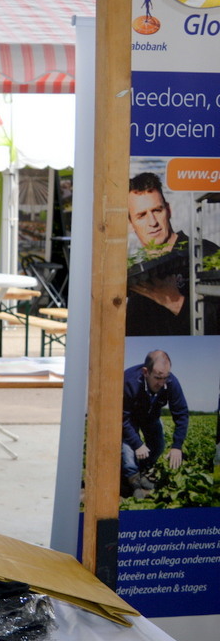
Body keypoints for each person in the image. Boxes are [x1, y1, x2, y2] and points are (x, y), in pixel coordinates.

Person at [125, 172, 219, 336]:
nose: (153, 222)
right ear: (130, 223)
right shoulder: (137, 276)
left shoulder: (206, 252)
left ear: (168, 210)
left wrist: (175, 301)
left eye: (157, 210)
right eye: (141, 215)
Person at [121, 350, 189, 498]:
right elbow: (122, 417)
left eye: (165, 377)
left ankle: (143, 472)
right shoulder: (128, 381)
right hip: (129, 418)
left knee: (158, 447)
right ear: (146, 372)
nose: (162, 383)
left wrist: (177, 446)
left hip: (151, 417)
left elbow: (181, 414)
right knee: (128, 451)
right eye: (157, 378)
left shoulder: (171, 382)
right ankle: (133, 483)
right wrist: (137, 444)